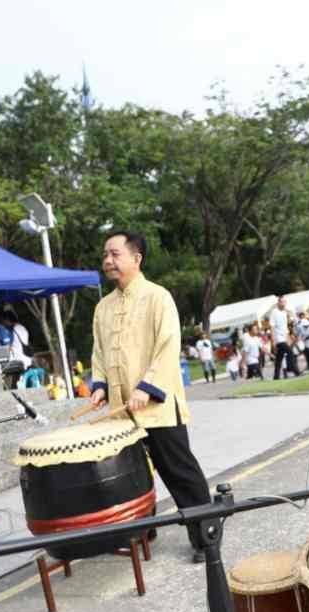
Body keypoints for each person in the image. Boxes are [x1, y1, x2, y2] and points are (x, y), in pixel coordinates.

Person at [90, 231, 211, 563]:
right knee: (131, 473)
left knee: (178, 471)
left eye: (115, 254)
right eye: (105, 255)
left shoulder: (158, 297)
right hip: (121, 409)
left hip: (155, 405)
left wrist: (147, 388)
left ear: (136, 258)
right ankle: (144, 529)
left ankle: (205, 535)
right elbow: (99, 353)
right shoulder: (102, 307)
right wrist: (99, 385)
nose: (108, 261)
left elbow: (168, 347)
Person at [268, 296, 300, 380]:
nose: (283, 304)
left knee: (279, 358)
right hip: (278, 338)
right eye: (282, 302)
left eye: (284, 302)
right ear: (278, 303)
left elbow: (285, 328)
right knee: (290, 352)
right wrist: (273, 340)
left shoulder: (284, 313)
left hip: (284, 337)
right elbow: (272, 327)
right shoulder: (274, 312)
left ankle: (276, 376)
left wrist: (288, 338)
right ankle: (295, 370)